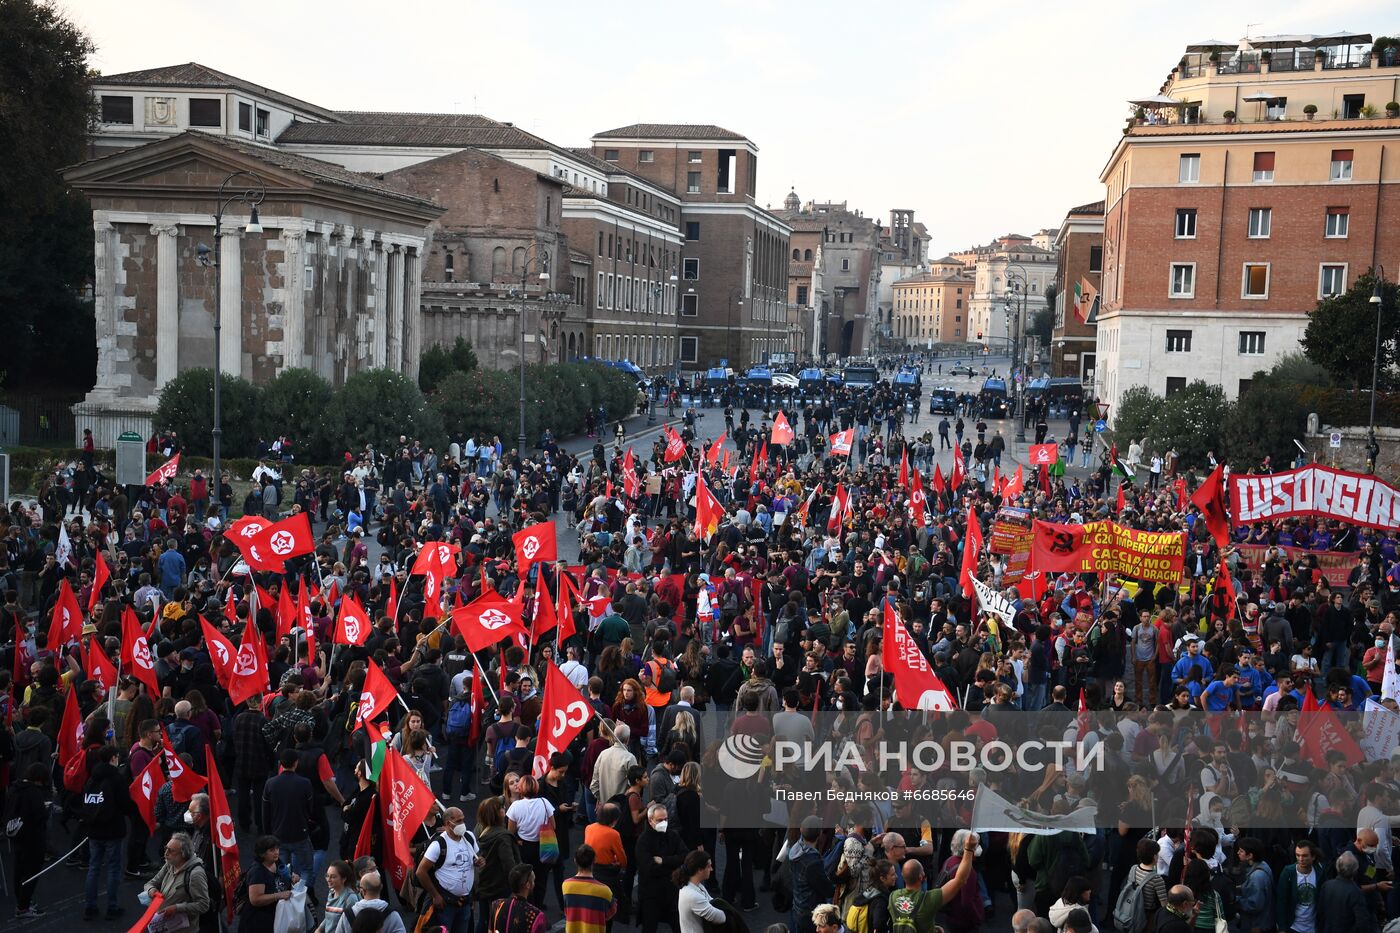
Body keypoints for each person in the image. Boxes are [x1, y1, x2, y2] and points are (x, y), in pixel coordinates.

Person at [887, 834, 978, 933]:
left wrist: (931, 926)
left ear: (903, 876)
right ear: (921, 876)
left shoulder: (893, 897)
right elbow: (960, 880)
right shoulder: (929, 900)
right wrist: (969, 850)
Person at [81, 744, 129, 922]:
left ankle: (90, 906)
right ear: (113, 758)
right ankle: (112, 906)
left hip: (94, 829)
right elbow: (125, 804)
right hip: (113, 829)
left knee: (93, 868)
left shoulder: (92, 778)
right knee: (114, 868)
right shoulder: (116, 778)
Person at [417, 806, 483, 933]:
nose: (463, 824)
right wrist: (435, 896)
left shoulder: (468, 837)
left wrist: (479, 860)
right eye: (459, 821)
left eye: (463, 820)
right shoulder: (438, 845)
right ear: (448, 823)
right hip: (446, 904)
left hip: (465, 902)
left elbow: (477, 856)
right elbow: (421, 872)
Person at [142, 833, 211, 931]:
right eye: (166, 848)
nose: (165, 853)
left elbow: (203, 905)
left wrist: (177, 908)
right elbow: (150, 883)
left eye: (171, 851)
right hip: (163, 927)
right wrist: (151, 890)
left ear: (183, 854)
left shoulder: (195, 874)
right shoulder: (170, 864)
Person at [635, 803, 688, 933]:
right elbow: (650, 869)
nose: (664, 822)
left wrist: (664, 861)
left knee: (680, 927)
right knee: (649, 928)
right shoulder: (643, 841)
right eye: (660, 820)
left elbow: (686, 856)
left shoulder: (673, 835)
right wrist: (675, 867)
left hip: (672, 892)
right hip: (651, 895)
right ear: (650, 821)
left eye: (666, 819)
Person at [11, 762, 52, 918]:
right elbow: (39, 816)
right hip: (33, 838)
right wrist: (46, 808)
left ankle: (21, 901)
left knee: (18, 870)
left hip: (17, 834)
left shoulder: (16, 789)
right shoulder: (33, 793)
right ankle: (24, 906)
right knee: (31, 873)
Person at [241, 835, 298, 933]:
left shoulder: (276, 862)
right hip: (259, 922)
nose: (276, 852)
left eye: (277, 848)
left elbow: (284, 875)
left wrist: (292, 877)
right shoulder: (257, 872)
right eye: (272, 850)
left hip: (276, 915)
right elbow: (255, 899)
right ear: (262, 853)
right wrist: (279, 895)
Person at [563, 843, 617, 933]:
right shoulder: (604, 890)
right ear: (594, 860)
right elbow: (610, 913)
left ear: (575, 861)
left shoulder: (566, 885)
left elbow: (566, 910)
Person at [675, 849, 727, 933]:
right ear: (699, 870)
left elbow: (711, 902)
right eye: (709, 866)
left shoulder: (695, 885)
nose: (711, 869)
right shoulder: (692, 895)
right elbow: (721, 918)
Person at [1319, 852, 1372, 933]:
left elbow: (1321, 913)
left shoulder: (1326, 885)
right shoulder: (1355, 892)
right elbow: (1362, 923)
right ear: (1355, 871)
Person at [488, 865, 547, 933]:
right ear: (528, 885)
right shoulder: (535, 915)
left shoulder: (497, 905)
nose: (534, 883)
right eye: (533, 880)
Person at [317, 861, 359, 933]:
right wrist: (319, 929)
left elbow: (353, 927)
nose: (328, 879)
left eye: (333, 877)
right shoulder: (331, 892)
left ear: (344, 879)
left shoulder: (350, 898)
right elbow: (328, 917)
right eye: (327, 875)